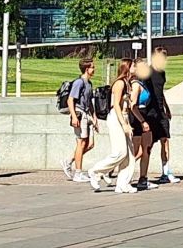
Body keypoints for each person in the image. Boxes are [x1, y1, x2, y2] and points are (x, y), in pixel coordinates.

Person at [88, 58, 136, 193]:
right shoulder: (120, 83)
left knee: (130, 154)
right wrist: (124, 124)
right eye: (134, 66)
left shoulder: (128, 83)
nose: (136, 69)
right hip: (116, 118)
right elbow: (115, 105)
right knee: (120, 152)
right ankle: (96, 171)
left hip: (124, 117)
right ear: (127, 68)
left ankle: (123, 183)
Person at [62, 58, 99, 183]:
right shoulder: (79, 82)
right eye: (92, 67)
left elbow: (90, 102)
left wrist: (94, 117)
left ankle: (69, 161)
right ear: (87, 69)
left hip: (87, 113)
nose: (94, 69)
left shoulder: (89, 84)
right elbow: (70, 99)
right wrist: (73, 116)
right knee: (81, 143)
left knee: (90, 144)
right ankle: (78, 172)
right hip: (79, 113)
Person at [149, 47, 180, 184]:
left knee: (165, 140)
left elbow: (160, 92)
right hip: (150, 112)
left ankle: (166, 172)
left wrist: (166, 107)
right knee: (146, 145)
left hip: (161, 112)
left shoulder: (162, 73)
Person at [129, 58, 158, 191]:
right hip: (138, 117)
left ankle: (143, 178)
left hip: (145, 115)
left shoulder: (144, 83)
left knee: (146, 149)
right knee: (134, 150)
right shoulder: (135, 85)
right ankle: (124, 176)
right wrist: (142, 121)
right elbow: (132, 105)